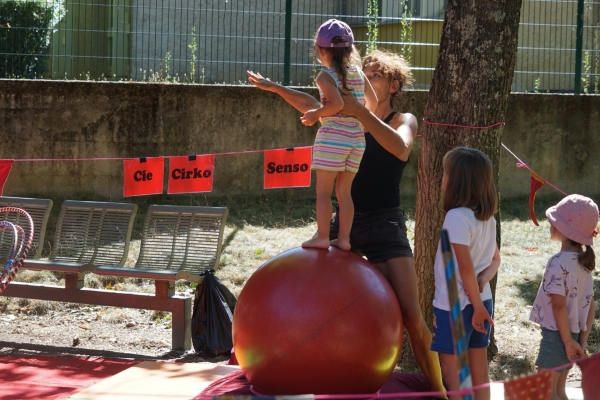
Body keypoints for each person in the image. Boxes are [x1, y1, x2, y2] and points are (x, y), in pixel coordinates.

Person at [247, 49, 447, 399]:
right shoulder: (342, 117)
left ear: (393, 85)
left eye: (375, 76)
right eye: (362, 73)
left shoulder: (404, 119)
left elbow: (400, 149)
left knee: (413, 317)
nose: (365, 80)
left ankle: (441, 392)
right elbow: (309, 101)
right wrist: (275, 87)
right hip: (346, 229)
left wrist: (358, 111)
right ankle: (318, 374)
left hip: (385, 226)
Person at [298, 19, 376, 250]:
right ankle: (343, 240)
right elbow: (372, 102)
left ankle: (322, 237)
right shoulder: (359, 74)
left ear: (321, 50)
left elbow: (336, 103)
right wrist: (359, 120)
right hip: (356, 140)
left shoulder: (324, 76)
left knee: (323, 191)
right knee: (344, 192)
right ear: (350, 49)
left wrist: (315, 114)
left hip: (332, 138)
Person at [430, 147, 501, 400]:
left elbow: (464, 266)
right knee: (479, 373)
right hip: (481, 302)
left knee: (453, 375)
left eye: (446, 172)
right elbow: (496, 261)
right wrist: (483, 283)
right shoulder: (488, 219)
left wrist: (477, 304)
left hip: (455, 308)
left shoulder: (456, 217)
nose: (443, 178)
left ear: (456, 181)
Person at [529, 195, 598, 400]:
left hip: (557, 337)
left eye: (554, 221)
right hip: (574, 337)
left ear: (564, 229)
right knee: (558, 392)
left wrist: (566, 342)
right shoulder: (585, 265)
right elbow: (590, 304)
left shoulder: (557, 262)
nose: (551, 224)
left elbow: (558, 306)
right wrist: (580, 341)